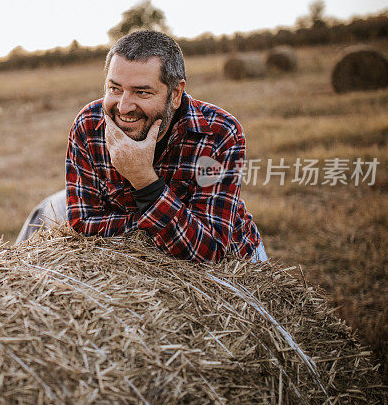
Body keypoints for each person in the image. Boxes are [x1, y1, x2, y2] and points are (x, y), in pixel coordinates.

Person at [65, 30, 267, 263]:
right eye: (115, 89)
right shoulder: (88, 125)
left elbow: (208, 251)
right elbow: (82, 224)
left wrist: (143, 179)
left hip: (237, 263)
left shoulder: (220, 132)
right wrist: (159, 222)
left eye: (142, 92)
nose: (123, 107)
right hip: (129, 268)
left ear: (175, 94)